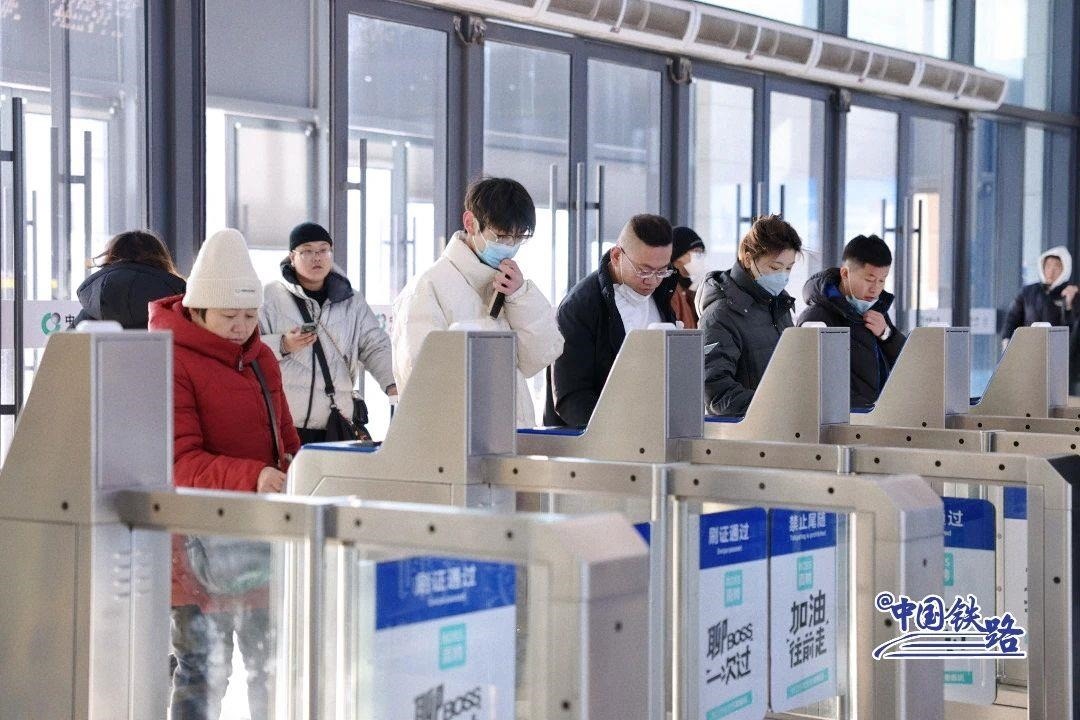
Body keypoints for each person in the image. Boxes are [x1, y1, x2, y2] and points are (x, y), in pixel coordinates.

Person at [148, 228, 301, 720]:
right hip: (194, 547)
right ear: (197, 309)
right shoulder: (169, 358)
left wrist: (297, 468)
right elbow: (179, 461)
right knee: (203, 672)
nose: (241, 327)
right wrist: (254, 477)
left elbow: (286, 439)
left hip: (260, 541)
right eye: (228, 315)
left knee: (270, 669)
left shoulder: (262, 359)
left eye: (250, 315)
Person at [391, 177, 562, 427]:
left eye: (518, 238)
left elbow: (540, 356)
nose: (510, 246)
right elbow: (421, 381)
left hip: (513, 433)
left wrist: (520, 297)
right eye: (501, 237)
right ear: (470, 223)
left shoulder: (511, 286)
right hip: (460, 437)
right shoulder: (428, 288)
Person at [259, 222, 397, 445]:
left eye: (323, 250)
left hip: (336, 422)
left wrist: (392, 384)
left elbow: (375, 346)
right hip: (286, 423)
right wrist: (283, 344)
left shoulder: (351, 301)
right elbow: (249, 348)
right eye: (307, 251)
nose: (317, 258)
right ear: (292, 257)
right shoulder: (270, 297)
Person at [545, 214, 676, 427]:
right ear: (616, 256)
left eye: (662, 271)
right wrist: (619, 429)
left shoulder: (662, 294)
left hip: (651, 428)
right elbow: (571, 397)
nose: (652, 281)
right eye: (643, 271)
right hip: (596, 435)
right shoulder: (579, 307)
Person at [698, 214, 801, 416]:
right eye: (775, 267)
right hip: (747, 429)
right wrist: (776, 408)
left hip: (784, 425)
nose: (783, 276)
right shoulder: (721, 315)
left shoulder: (780, 306)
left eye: (789, 268)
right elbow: (717, 394)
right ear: (748, 259)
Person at [797, 234, 906, 408]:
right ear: (845, 273)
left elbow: (906, 362)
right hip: (848, 418)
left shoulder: (877, 311)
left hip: (879, 414)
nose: (875, 288)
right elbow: (815, 385)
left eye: (882, 280)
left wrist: (887, 334)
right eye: (869, 279)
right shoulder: (816, 319)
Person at [1002, 246, 1080, 393]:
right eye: (1048, 265)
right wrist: (1007, 340)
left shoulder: (1071, 293)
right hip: (1030, 353)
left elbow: (1073, 327)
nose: (1051, 271)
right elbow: (1012, 318)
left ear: (1065, 268)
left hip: (1060, 359)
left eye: (1057, 266)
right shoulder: (1028, 292)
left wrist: (1070, 305)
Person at [73, 229, 186, 329]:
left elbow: (67, 345)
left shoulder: (91, 312)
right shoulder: (180, 308)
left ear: (110, 259)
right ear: (162, 261)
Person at [669, 225, 707, 329]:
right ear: (678, 255)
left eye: (702, 253)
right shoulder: (671, 289)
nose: (701, 257)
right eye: (697, 252)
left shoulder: (687, 288)